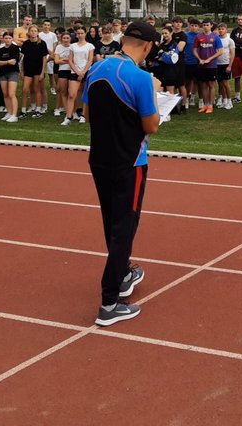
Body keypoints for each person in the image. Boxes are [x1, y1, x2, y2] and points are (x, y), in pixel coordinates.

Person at [83, 20, 161, 326]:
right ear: (148, 46)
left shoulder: (96, 69)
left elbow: (87, 115)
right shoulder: (140, 78)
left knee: (112, 222)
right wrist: (153, 91)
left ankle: (124, 271)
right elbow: (151, 125)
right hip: (130, 161)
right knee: (124, 229)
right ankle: (110, 302)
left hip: (100, 159)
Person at [21, 25, 50, 117]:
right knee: (25, 89)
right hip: (28, 70)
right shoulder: (26, 43)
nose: (33, 32)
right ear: (29, 32)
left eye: (35, 31)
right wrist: (21, 71)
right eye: (31, 31)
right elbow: (22, 58)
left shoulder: (42, 43)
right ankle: (23, 110)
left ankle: (38, 109)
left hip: (38, 69)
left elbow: (44, 59)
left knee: (37, 89)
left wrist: (42, 72)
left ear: (38, 32)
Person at [0, 31, 22, 122]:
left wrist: (5, 62)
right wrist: (7, 62)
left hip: (13, 72)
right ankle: (9, 112)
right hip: (2, 73)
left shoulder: (15, 48)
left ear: (12, 39)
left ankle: (14, 115)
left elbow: (14, 61)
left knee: (11, 93)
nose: (7, 40)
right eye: (6, 38)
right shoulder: (0, 50)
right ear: (3, 39)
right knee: (5, 94)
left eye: (9, 38)